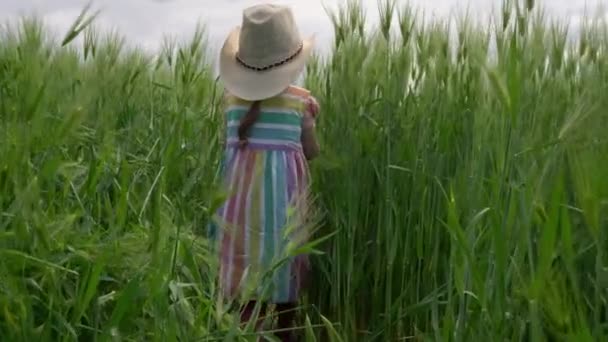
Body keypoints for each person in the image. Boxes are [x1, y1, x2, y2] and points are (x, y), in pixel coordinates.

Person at [213, 4, 320, 341]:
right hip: (281, 205)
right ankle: (285, 334)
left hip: (237, 205)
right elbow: (312, 151)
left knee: (242, 274)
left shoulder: (231, 102)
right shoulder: (303, 102)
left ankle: (243, 333)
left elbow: (227, 146)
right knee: (283, 265)